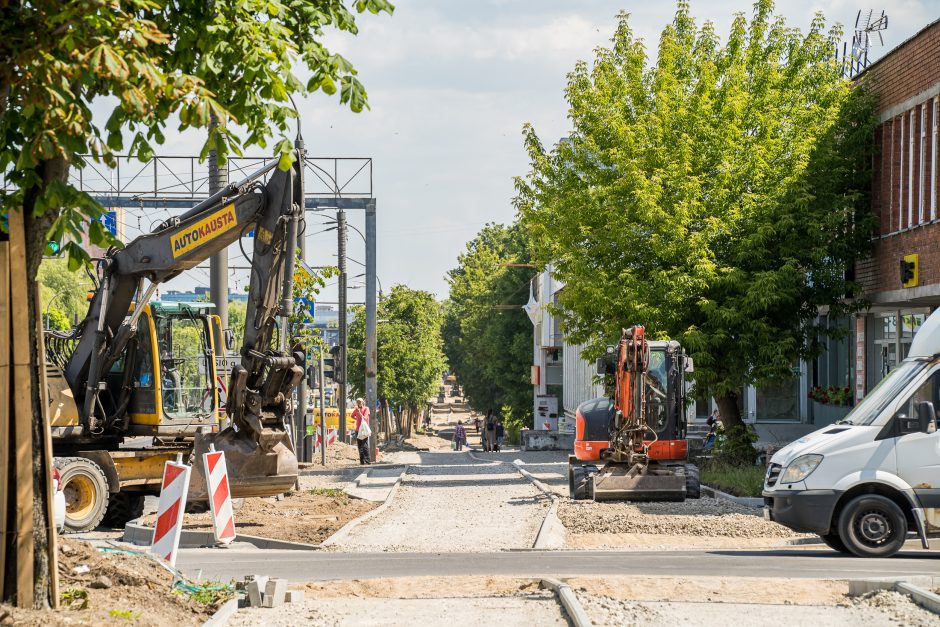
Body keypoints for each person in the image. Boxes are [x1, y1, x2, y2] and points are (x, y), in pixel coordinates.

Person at [352, 397, 371, 465]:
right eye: (357, 402)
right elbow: (352, 415)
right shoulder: (356, 409)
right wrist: (356, 418)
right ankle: (362, 461)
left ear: (363, 402)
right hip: (358, 430)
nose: (358, 403)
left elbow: (365, 418)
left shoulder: (366, 409)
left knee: (365, 445)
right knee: (359, 446)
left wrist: (359, 412)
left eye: (360, 402)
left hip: (364, 430)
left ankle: (367, 461)